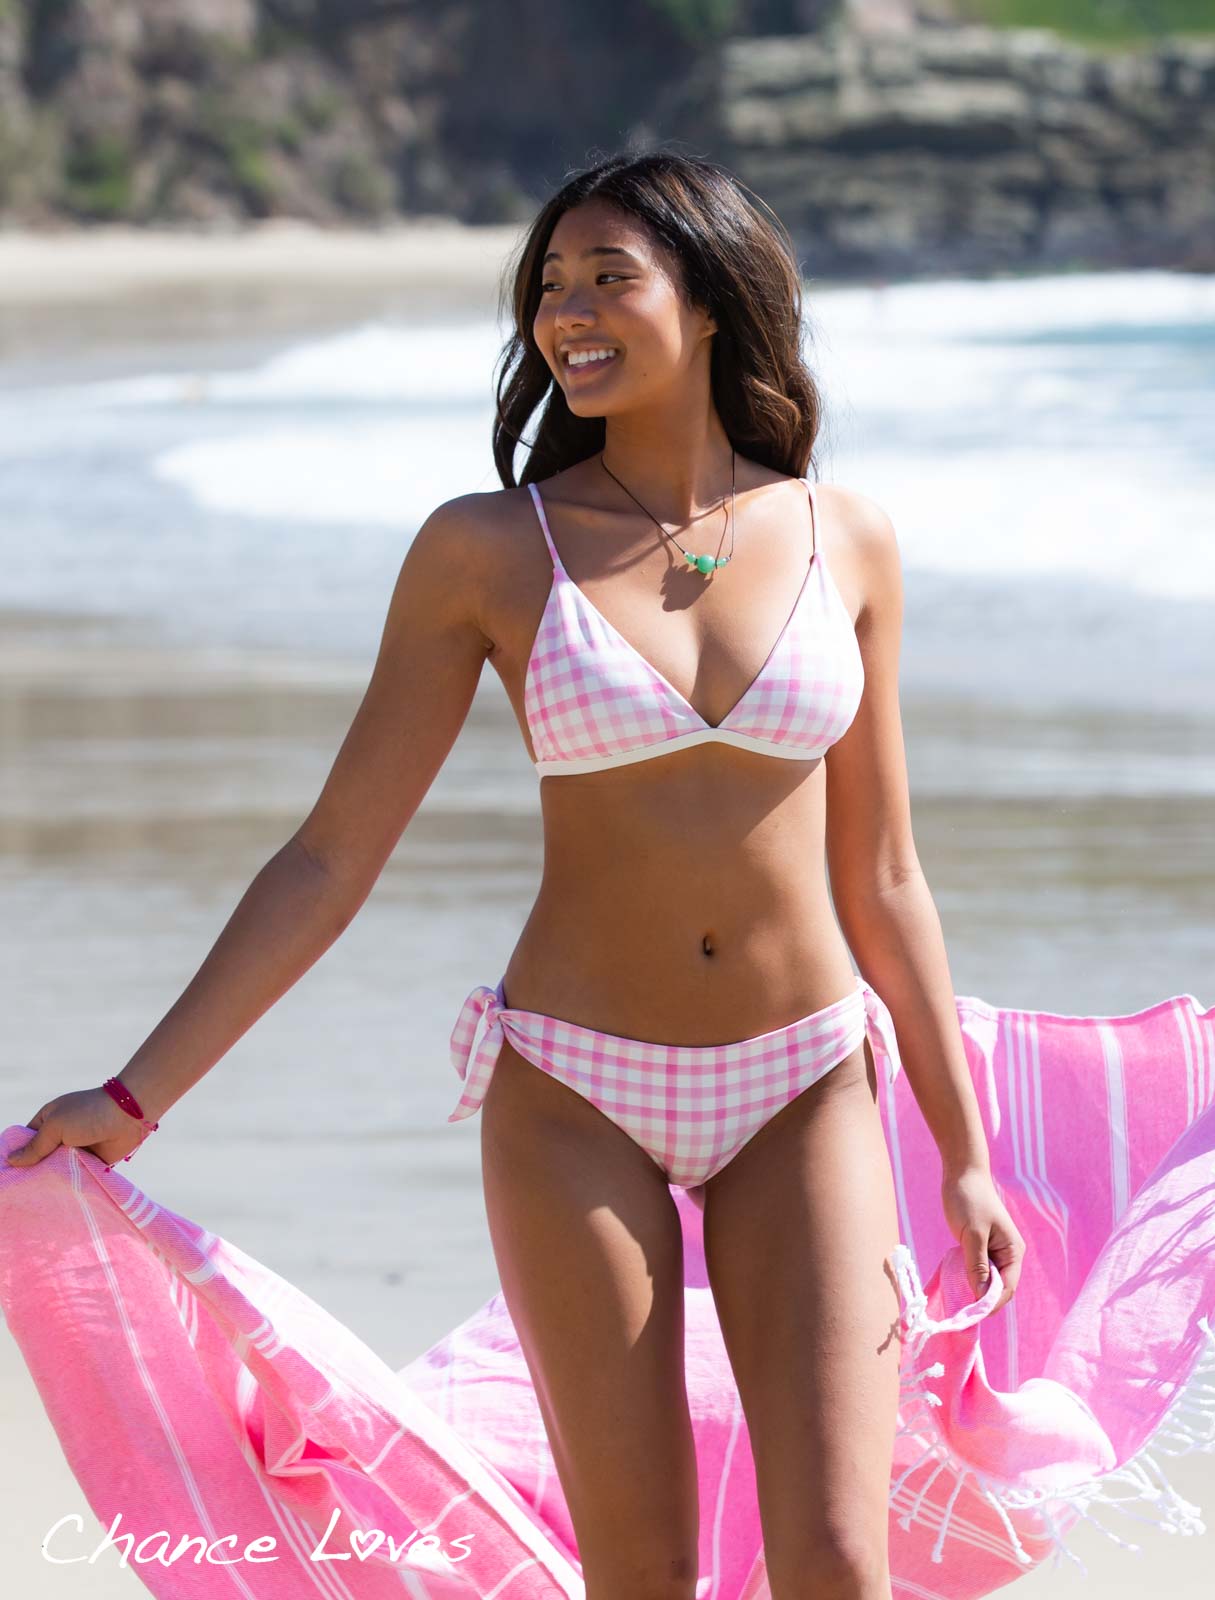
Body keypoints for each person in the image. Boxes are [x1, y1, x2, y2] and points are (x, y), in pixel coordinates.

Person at [5, 150, 1027, 1600]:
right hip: (575, 1093)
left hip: (804, 1083)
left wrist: (966, 1146)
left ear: (714, 300)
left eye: (611, 276)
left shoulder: (842, 535)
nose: (568, 313)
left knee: (840, 1561)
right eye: (550, 285)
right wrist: (135, 1095)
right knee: (641, 1570)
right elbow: (329, 857)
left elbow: (888, 876)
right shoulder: (491, 552)